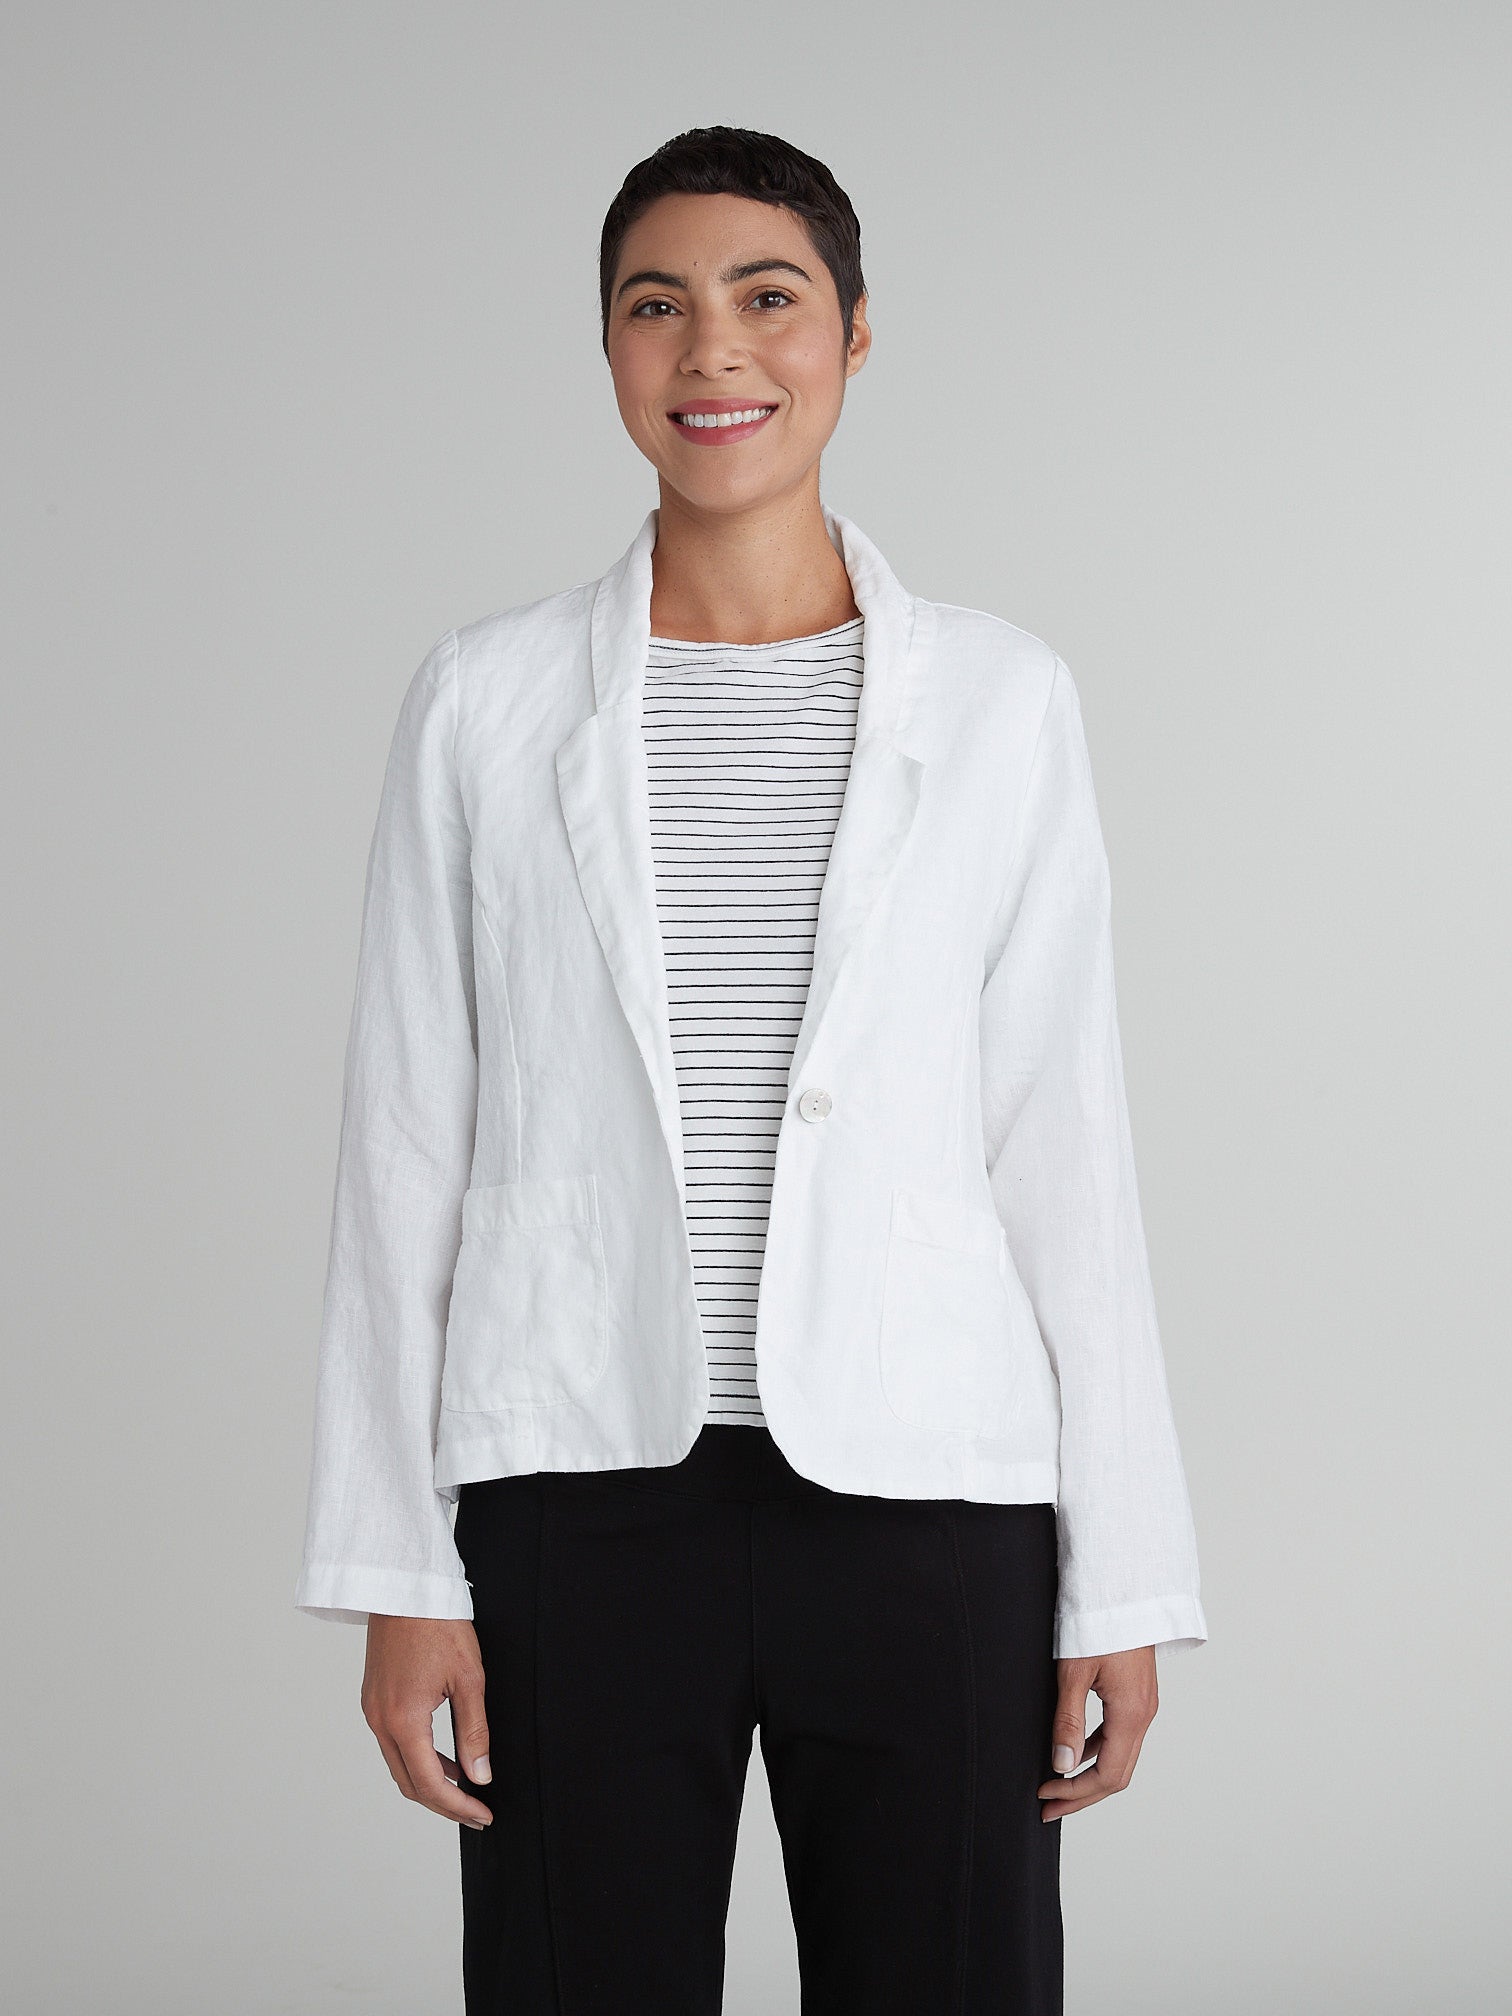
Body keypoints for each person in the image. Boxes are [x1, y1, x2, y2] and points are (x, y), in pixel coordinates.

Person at [295, 124, 1207, 2015]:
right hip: (578, 1488)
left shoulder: (1004, 701)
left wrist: (1122, 1577)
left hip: (930, 1491)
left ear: (855, 335)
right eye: (658, 306)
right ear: (608, 348)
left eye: (767, 298)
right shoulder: (483, 703)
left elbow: (1066, 1150)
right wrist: (399, 1568)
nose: (712, 349)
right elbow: (402, 1149)